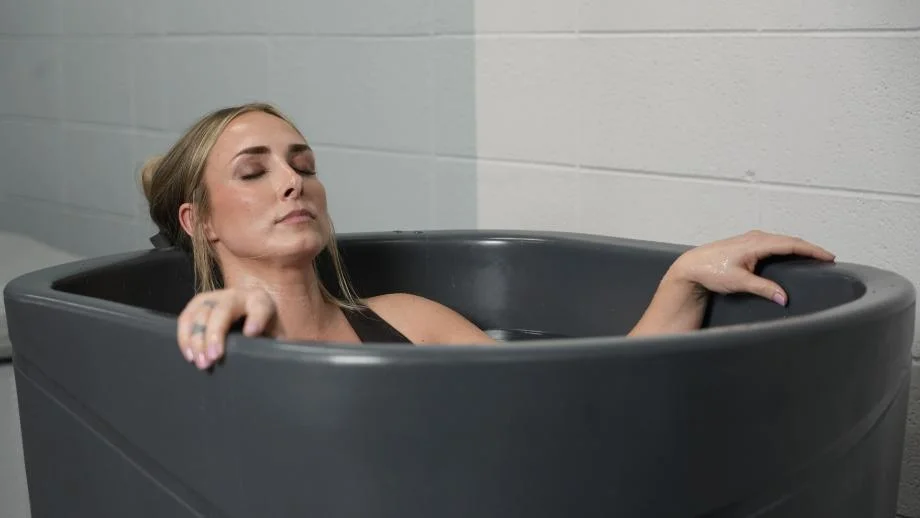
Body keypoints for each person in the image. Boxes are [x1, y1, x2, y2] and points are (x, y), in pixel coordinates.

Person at [140, 102, 836, 371]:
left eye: (304, 166)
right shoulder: (206, 350)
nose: (292, 183)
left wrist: (681, 278)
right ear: (198, 221)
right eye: (253, 172)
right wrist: (223, 318)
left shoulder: (411, 320)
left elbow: (577, 403)